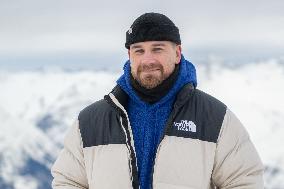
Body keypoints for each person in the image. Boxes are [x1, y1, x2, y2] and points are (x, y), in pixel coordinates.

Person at [51, 12, 264, 189]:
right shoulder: (90, 122)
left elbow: (244, 181)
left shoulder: (215, 117)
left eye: (157, 49)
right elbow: (68, 182)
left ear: (178, 53)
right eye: (139, 50)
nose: (148, 59)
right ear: (130, 56)